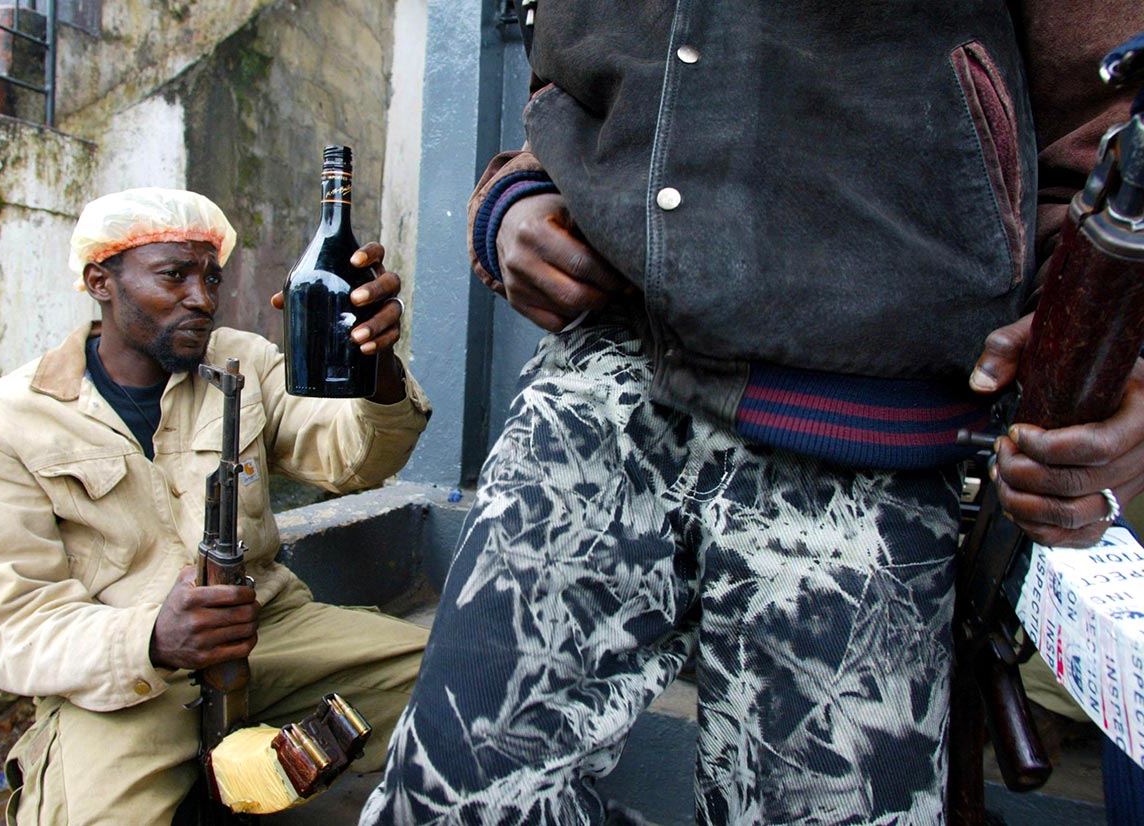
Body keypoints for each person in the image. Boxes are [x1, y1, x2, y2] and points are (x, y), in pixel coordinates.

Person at [360, 4, 1144, 825]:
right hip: (603, 378)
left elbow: (1107, 111)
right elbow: (578, 73)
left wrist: (1111, 343)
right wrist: (516, 196)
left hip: (865, 429)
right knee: (447, 807)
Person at [0, 187, 432, 825]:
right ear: (101, 281)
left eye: (210, 277)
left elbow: (354, 459)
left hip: (274, 634)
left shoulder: (244, 363)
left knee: (465, 688)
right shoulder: (9, 422)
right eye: (173, 276)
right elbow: (3, 625)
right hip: (122, 685)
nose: (201, 299)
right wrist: (151, 636)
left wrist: (376, 365)